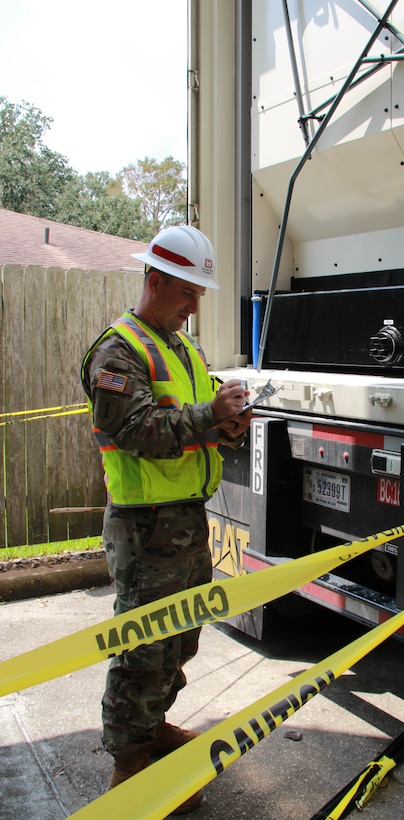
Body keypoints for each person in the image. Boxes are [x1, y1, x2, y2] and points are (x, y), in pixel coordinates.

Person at [81, 225, 252, 814]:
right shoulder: (118, 351)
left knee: (180, 640)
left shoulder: (182, 348)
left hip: (185, 521)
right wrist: (210, 412)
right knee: (142, 648)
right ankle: (129, 766)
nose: (194, 304)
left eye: (199, 294)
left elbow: (193, 418)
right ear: (155, 280)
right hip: (143, 527)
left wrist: (227, 422)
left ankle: (153, 729)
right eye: (188, 291)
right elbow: (137, 431)